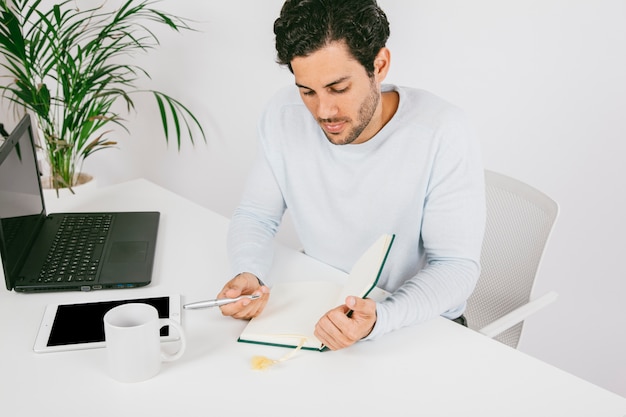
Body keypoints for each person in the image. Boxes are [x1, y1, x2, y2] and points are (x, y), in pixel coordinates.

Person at [217, 0, 485, 351]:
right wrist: (249, 271)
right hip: (324, 310)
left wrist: (381, 318)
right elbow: (255, 215)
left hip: (416, 326)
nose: (323, 111)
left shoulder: (441, 131)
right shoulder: (283, 116)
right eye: (307, 91)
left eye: (338, 88)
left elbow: (456, 267)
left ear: (379, 64)